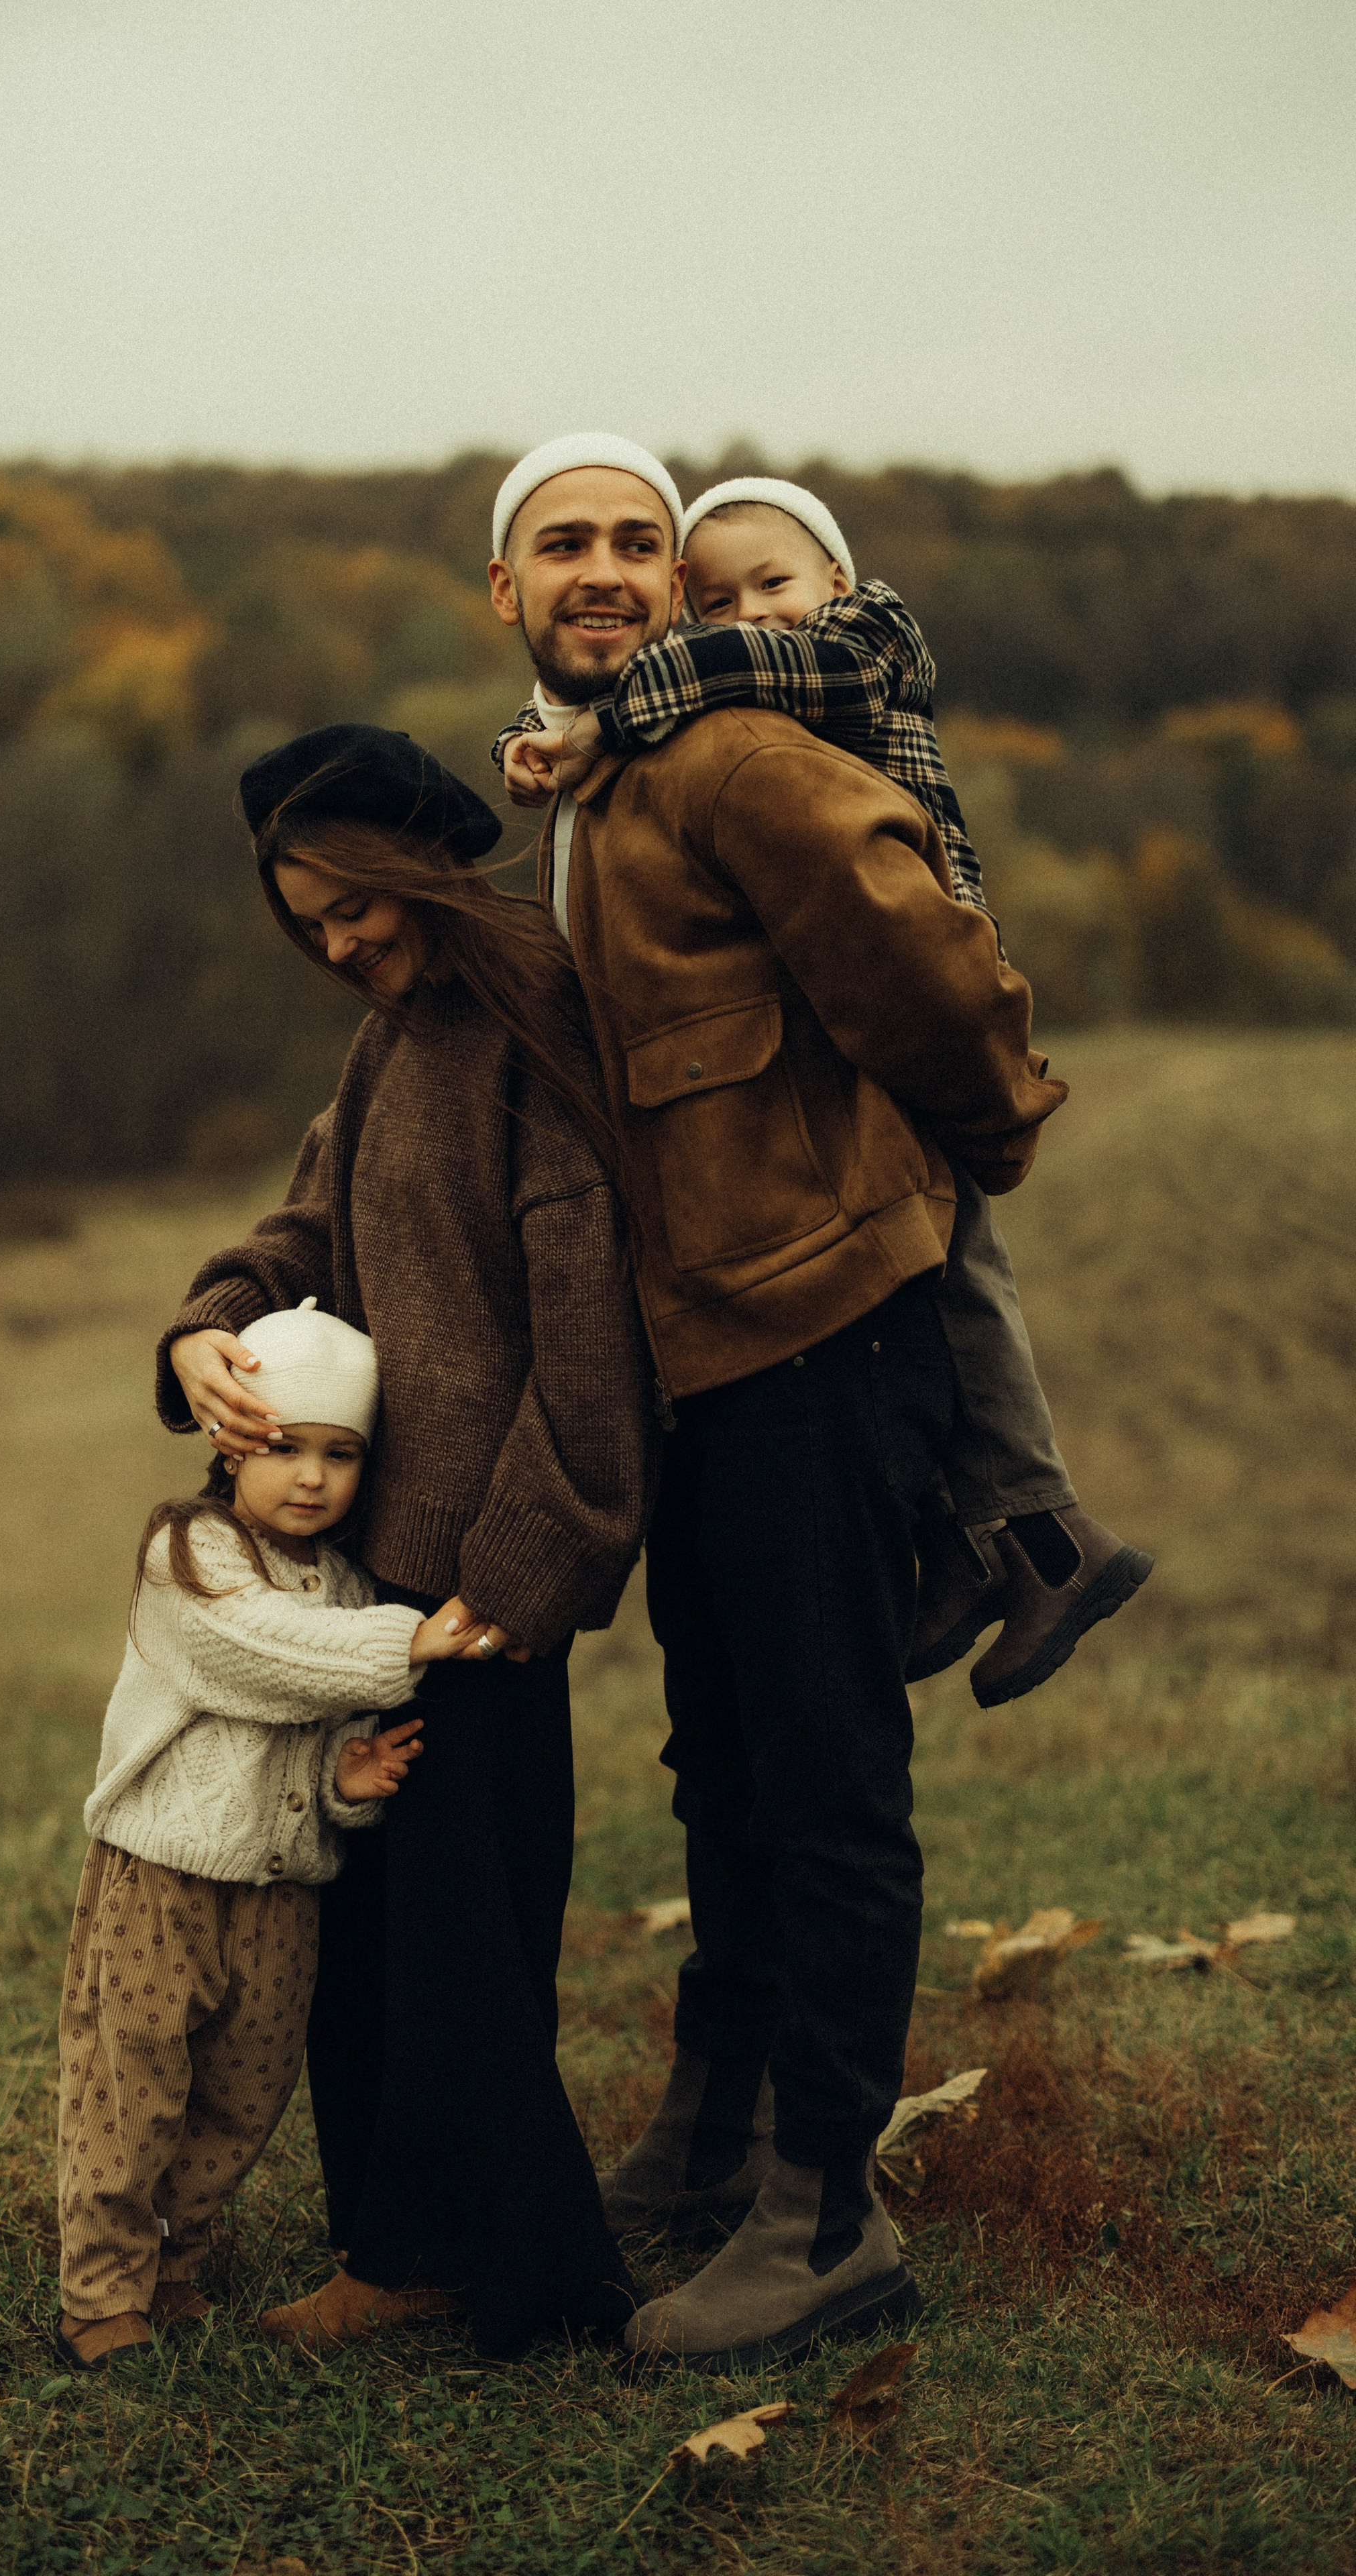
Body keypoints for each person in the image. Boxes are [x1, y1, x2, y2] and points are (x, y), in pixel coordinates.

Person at [484, 433, 1068, 2369]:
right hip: (700, 1370)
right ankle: (714, 2132)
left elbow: (922, 951)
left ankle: (829, 2213)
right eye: (563, 543)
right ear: (508, 592)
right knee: (722, 1764)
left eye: (639, 544)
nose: (608, 570)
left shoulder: (732, 757)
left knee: (821, 1779)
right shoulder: (591, 788)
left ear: (673, 583)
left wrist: (982, 1144)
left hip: (830, 1339)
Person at [156, 722, 657, 2361]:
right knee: (386, 1935)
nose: (336, 944)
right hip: (390, 1584)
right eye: (307, 925)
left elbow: (588, 1335)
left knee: (461, 1946)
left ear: (416, 860)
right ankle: (405, 2248)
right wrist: (206, 1328)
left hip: (476, 1586)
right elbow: (308, 1224)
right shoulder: (398, 1038)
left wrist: (518, 1576)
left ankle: (514, 2281)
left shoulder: (524, 1015)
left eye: (347, 906)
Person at [495, 471, 1151, 1711]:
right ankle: (985, 1545)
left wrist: (995, 1128)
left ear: (838, 585)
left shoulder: (850, 655)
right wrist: (555, 742)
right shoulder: (666, 734)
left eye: (774, 586)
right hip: (751, 1250)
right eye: (721, 598)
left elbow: (932, 981)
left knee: (962, 1271)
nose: (755, 617)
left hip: (918, 1007)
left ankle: (1049, 1533)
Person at [54, 1298, 461, 2371]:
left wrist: (344, 1779)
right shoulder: (187, 1554)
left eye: (341, 1454)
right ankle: (101, 2288)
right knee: (133, 2081)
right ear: (231, 1444)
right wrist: (412, 1643)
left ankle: (177, 2257)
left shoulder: (348, 1585)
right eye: (284, 1447)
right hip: (164, 1877)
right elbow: (263, 1657)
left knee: (245, 2090)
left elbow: (298, 1738)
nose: (313, 1477)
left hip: (282, 1890)